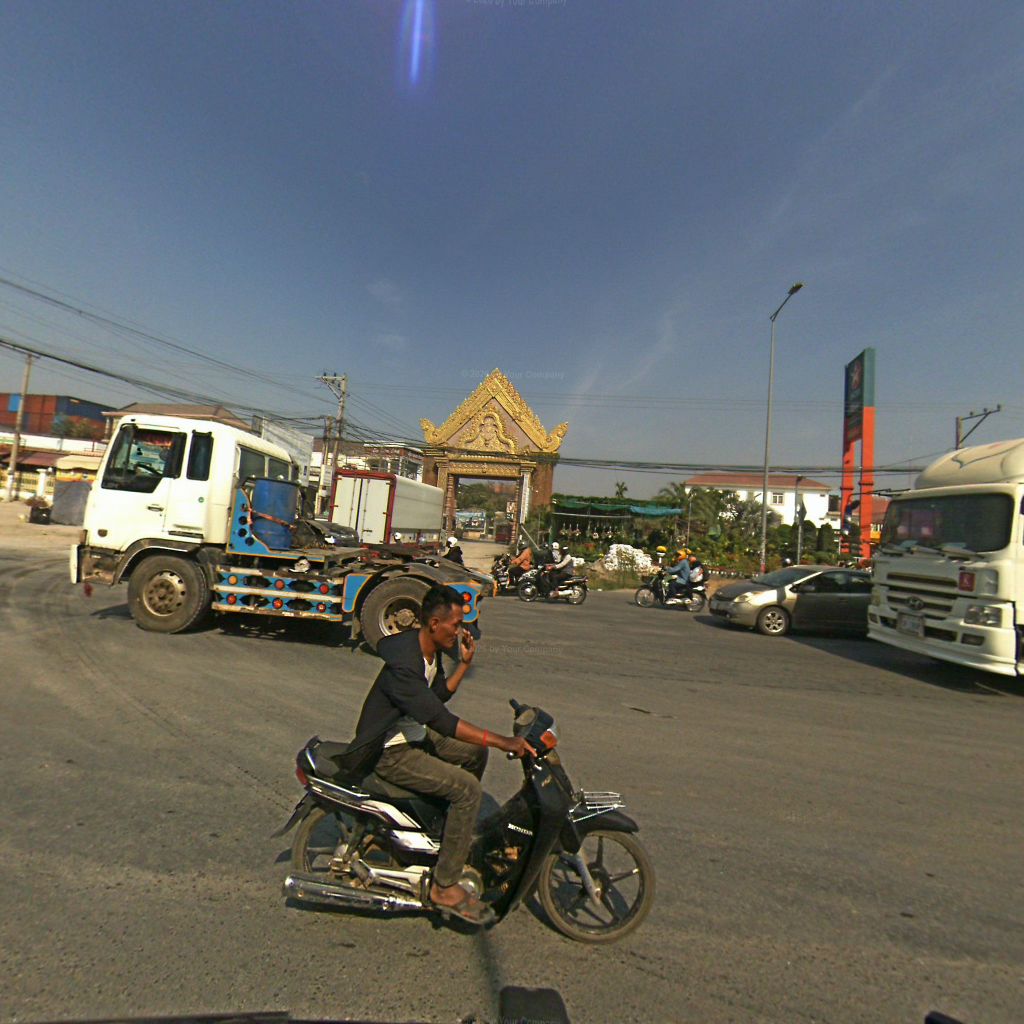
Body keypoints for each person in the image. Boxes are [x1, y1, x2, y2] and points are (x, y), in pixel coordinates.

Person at [336, 585, 534, 925]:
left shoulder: (429, 652)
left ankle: (448, 833)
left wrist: (464, 664)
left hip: (415, 733)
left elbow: (437, 696)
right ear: (434, 624)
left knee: (474, 753)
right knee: (467, 791)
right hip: (391, 750)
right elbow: (441, 721)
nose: (460, 631)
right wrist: (502, 741)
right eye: (455, 625)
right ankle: (444, 885)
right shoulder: (405, 665)